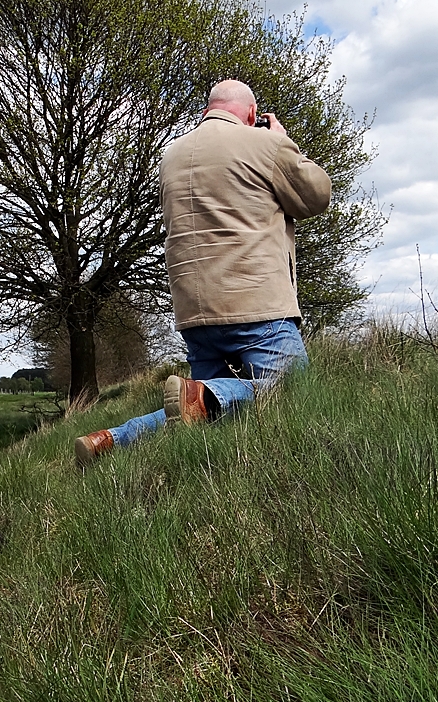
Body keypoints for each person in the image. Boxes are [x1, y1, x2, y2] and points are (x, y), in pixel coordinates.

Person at [75, 79, 334, 465]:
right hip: (254, 301)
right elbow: (316, 196)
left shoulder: (172, 156)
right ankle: (205, 398)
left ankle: (111, 440)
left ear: (205, 112)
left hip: (193, 308)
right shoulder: (266, 144)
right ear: (251, 114)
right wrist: (283, 140)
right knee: (292, 389)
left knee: (198, 417)